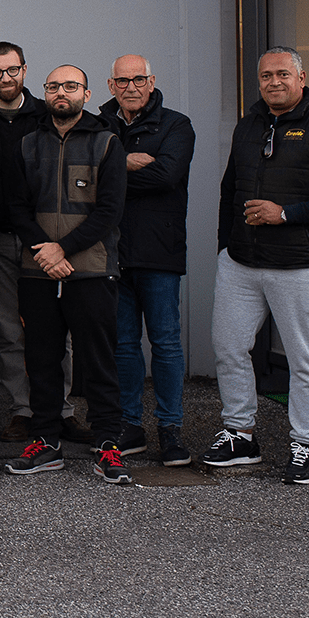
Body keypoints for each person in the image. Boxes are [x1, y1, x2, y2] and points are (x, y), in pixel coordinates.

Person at [206, 47, 309, 485]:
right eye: (265, 76)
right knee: (229, 349)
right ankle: (240, 435)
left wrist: (285, 214)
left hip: (300, 265)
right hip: (241, 264)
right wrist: (225, 247)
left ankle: (306, 443)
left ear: (301, 78)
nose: (273, 82)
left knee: (302, 358)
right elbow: (230, 189)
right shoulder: (250, 124)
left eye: (282, 74)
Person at [1, 65, 133, 486]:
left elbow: (110, 211)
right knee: (41, 360)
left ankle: (108, 442)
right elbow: (16, 207)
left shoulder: (107, 142)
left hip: (91, 270)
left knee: (99, 360)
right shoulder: (27, 144)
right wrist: (45, 251)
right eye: (54, 86)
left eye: (71, 86)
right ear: (45, 93)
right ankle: (46, 441)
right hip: (38, 272)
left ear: (86, 94)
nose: (62, 92)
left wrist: (64, 249)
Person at [0, 41, 67, 443]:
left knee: (55, 330)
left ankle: (61, 409)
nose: (5, 78)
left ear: (24, 70)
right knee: (7, 330)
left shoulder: (46, 114)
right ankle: (23, 409)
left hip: (45, 240)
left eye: (12, 70)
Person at [100, 54, 196, 466]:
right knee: (123, 345)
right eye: (123, 81)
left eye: (138, 79)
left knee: (166, 344)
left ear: (152, 81)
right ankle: (130, 425)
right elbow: (88, 177)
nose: (131, 87)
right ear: (111, 86)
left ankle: (170, 429)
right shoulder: (100, 124)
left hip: (160, 251)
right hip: (113, 251)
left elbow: (166, 176)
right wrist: (124, 162)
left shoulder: (176, 125)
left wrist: (112, 170)